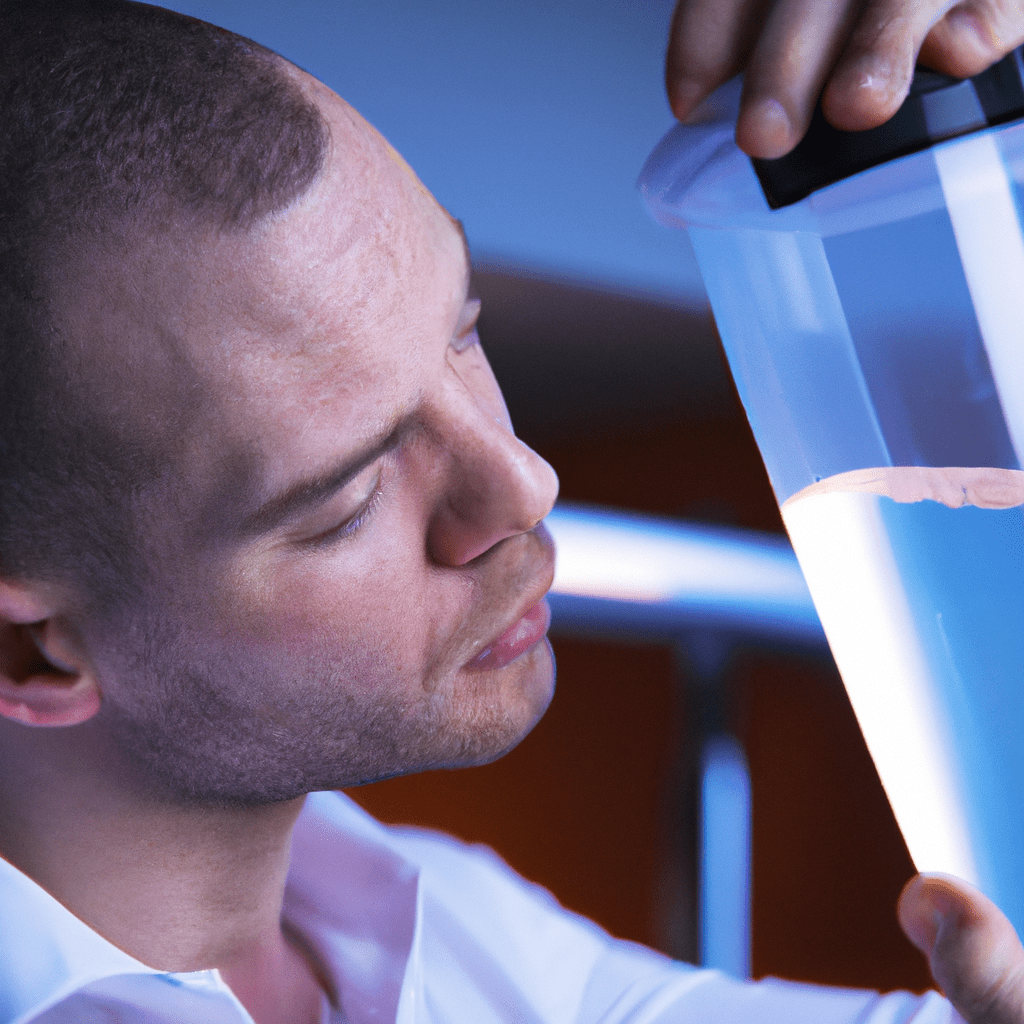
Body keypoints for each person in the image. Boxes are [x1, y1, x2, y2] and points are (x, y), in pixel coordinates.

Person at [0, 1, 1021, 1022]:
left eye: (462, 333)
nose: (523, 482)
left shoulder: (462, 940)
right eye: (349, 497)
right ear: (31, 654)